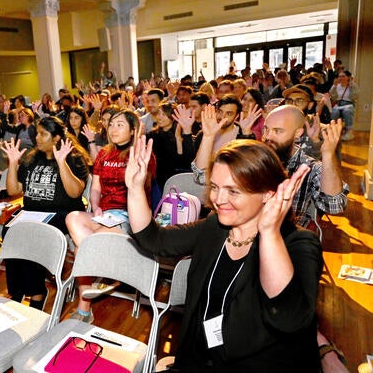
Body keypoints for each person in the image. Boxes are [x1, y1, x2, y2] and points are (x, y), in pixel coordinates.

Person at [126, 136, 322, 372]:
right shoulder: (215, 227)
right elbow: (154, 240)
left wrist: (269, 232)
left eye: (233, 191)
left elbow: (288, 317)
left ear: (268, 194)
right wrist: (136, 188)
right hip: (198, 361)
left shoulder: (298, 243)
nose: (218, 200)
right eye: (216, 188)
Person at [66, 109, 156, 323]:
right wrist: (96, 206)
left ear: (133, 130)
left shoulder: (142, 155)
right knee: (72, 217)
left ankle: (84, 310)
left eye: (120, 125)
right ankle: (101, 261)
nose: (113, 129)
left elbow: (144, 188)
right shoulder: (104, 154)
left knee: (81, 249)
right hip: (104, 215)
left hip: (130, 217)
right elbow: (95, 188)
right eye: (111, 124)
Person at [194, 105, 348, 229]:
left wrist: (328, 155)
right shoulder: (254, 157)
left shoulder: (308, 167)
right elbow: (201, 177)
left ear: (298, 133)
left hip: (283, 240)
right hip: (240, 231)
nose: (268, 136)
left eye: (277, 131)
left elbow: (334, 206)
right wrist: (208, 137)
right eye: (266, 129)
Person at [1, 116, 90, 309]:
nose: (37, 138)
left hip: (61, 213)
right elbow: (13, 190)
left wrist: (61, 162)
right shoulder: (32, 158)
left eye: (43, 134)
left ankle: (37, 293)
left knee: (32, 234)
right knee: (9, 230)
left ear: (57, 138)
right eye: (37, 133)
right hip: (32, 212)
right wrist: (13, 163)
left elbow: (75, 192)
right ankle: (17, 290)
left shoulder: (74, 158)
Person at [329, 70, 358, 141]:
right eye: (340, 76)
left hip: (348, 104)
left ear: (348, 77)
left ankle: (349, 132)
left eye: (343, 76)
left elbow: (354, 96)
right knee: (335, 112)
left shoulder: (352, 85)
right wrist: (334, 86)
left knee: (347, 111)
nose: (341, 78)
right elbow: (332, 97)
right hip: (338, 104)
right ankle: (334, 130)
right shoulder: (336, 86)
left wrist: (351, 86)